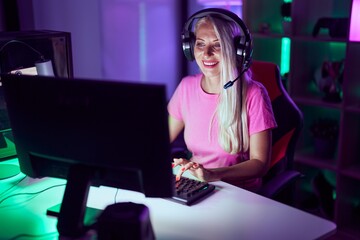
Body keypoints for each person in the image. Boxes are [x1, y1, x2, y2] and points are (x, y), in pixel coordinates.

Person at [167, 8, 277, 192]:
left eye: (217, 45)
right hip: (195, 185)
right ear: (190, 48)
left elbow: (260, 164)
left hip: (236, 192)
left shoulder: (254, 94)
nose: (207, 53)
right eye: (200, 44)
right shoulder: (186, 87)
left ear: (236, 50)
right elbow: (161, 139)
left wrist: (213, 174)